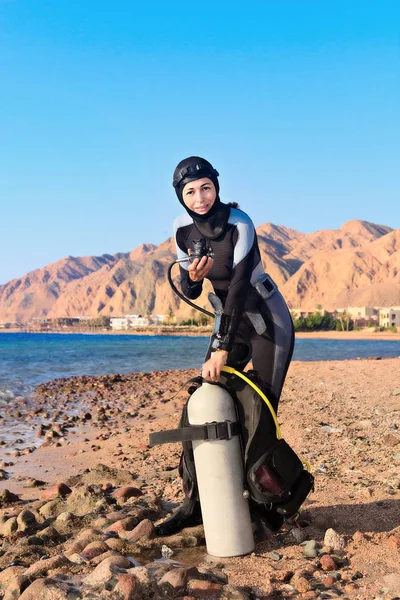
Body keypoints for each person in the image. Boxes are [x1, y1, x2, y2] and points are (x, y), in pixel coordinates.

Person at [155, 156, 295, 535]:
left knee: (261, 413)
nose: (199, 198)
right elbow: (191, 289)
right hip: (228, 322)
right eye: (189, 191)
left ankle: (269, 506)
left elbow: (236, 289)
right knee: (202, 401)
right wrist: (192, 278)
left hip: (267, 323)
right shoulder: (182, 229)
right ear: (180, 196)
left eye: (205, 187)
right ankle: (196, 503)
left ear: (216, 186)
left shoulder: (240, 224)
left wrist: (220, 348)